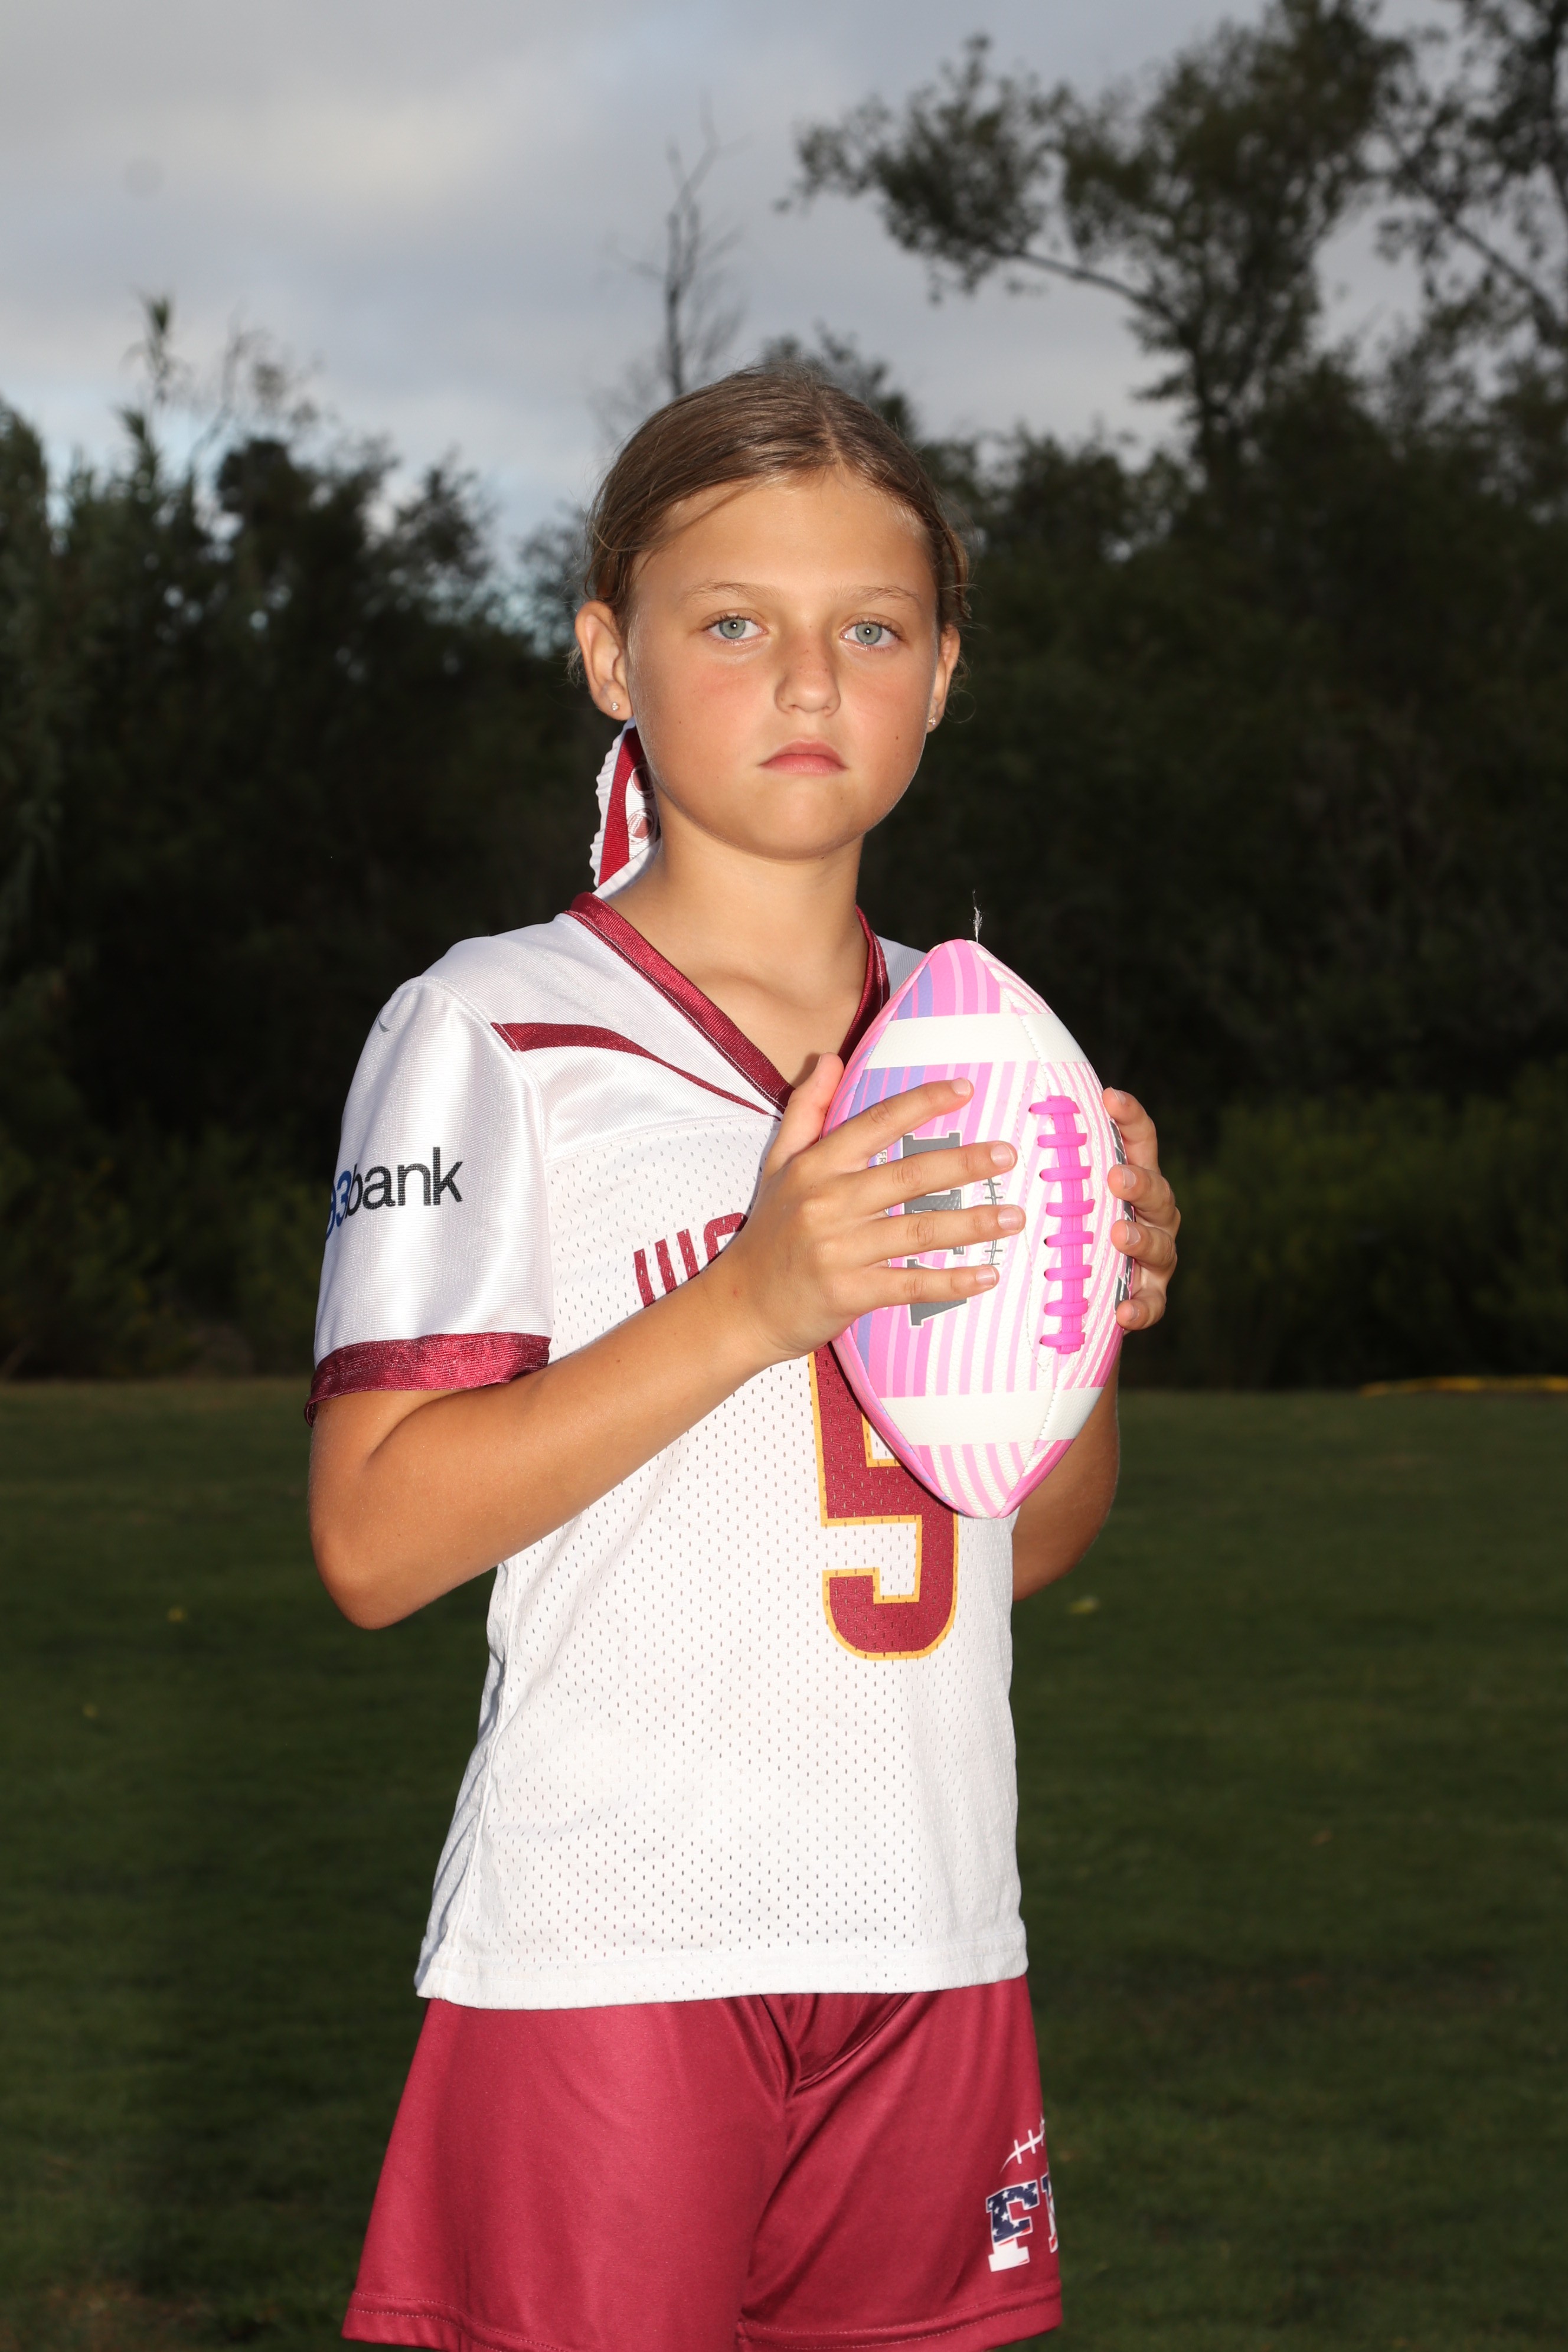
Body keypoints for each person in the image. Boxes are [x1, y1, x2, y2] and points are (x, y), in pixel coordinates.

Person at [308, 367, 1180, 2352]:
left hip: (935, 1936)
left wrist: (1084, 1324)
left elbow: (1023, 1546)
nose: (808, 680)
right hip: (609, 1949)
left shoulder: (983, 1042)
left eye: (870, 628)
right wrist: (755, 1302)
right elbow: (372, 1542)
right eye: (731, 623)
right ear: (609, 656)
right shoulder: (495, 1027)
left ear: (943, 672)